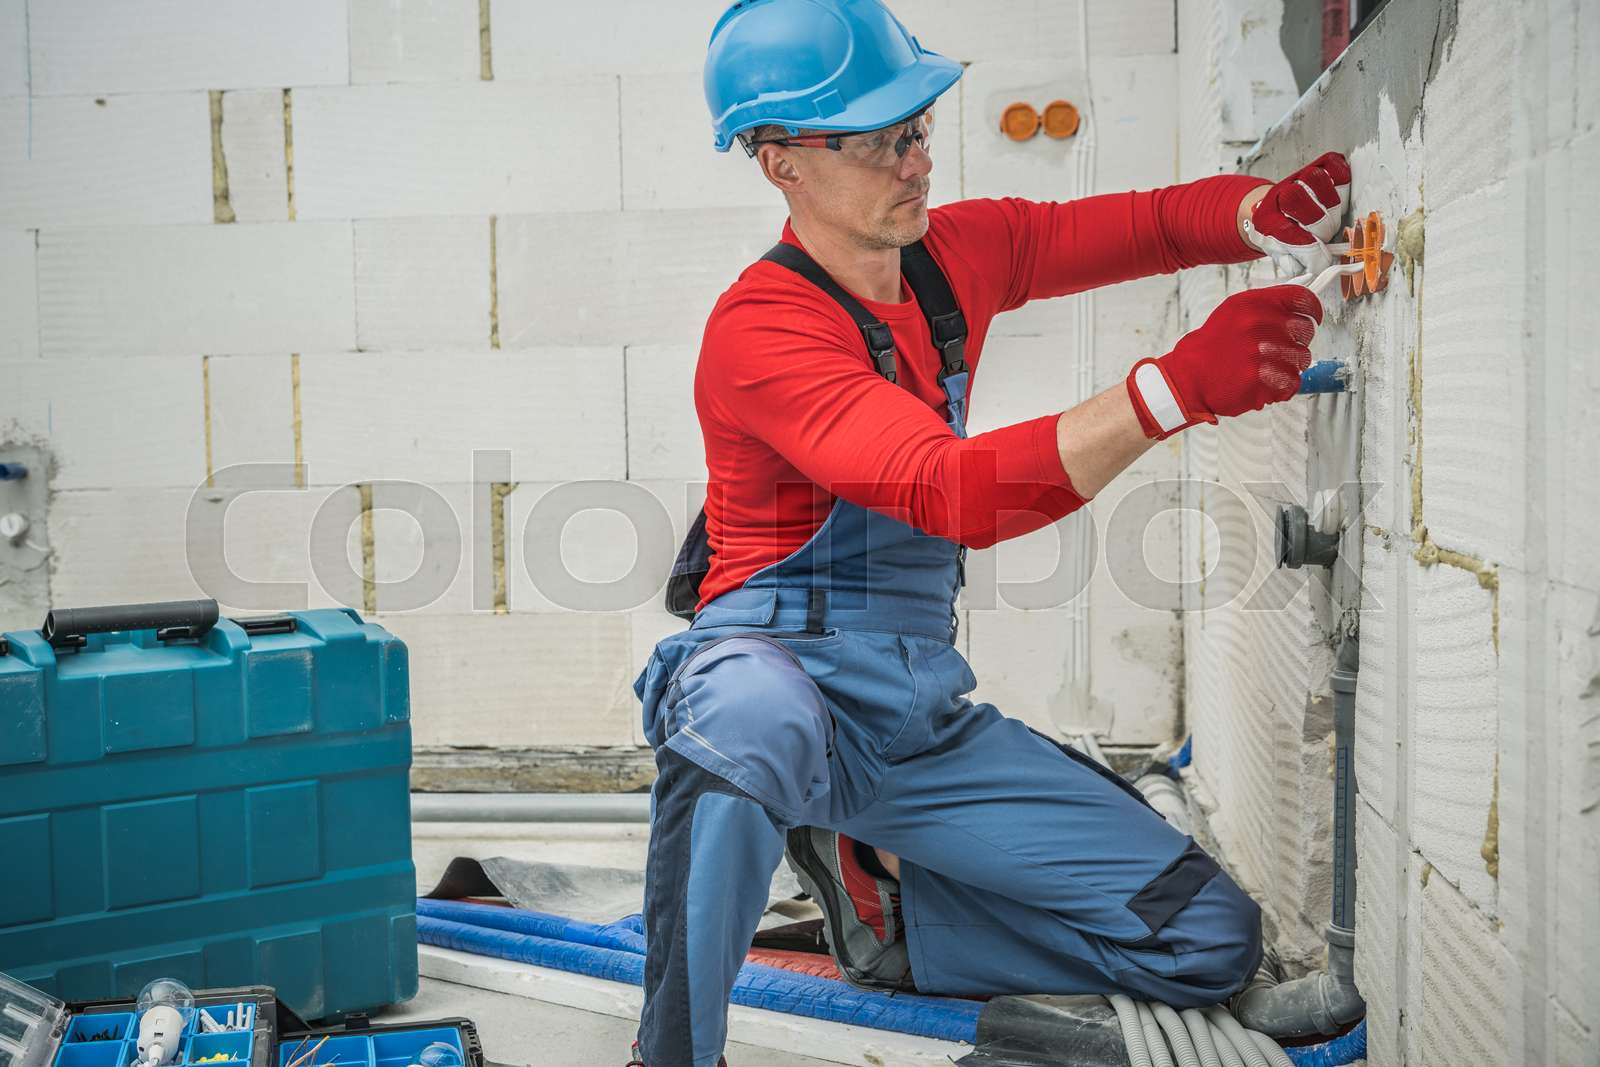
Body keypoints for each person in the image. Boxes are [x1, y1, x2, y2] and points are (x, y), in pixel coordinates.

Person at [626, 2, 1350, 1063]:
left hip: (911, 711)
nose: (915, 159)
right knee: (747, 712)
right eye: (876, 140)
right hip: (776, 665)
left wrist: (1256, 211)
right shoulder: (764, 328)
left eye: (917, 126)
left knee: (1205, 936)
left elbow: (1135, 226)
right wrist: (1169, 388)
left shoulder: (954, 255)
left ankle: (890, 919)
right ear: (779, 162)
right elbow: (949, 489)